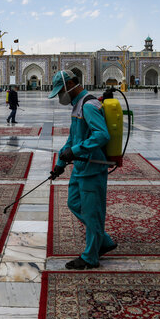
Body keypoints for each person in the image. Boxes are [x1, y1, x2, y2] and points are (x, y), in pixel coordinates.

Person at [48, 70, 117, 269]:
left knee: (92, 212)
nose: (61, 95)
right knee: (74, 203)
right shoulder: (77, 106)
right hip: (80, 166)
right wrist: (60, 164)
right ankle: (103, 240)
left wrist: (76, 150)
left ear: (71, 84)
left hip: (93, 168)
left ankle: (90, 257)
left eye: (61, 90)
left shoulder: (88, 105)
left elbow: (102, 135)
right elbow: (72, 138)